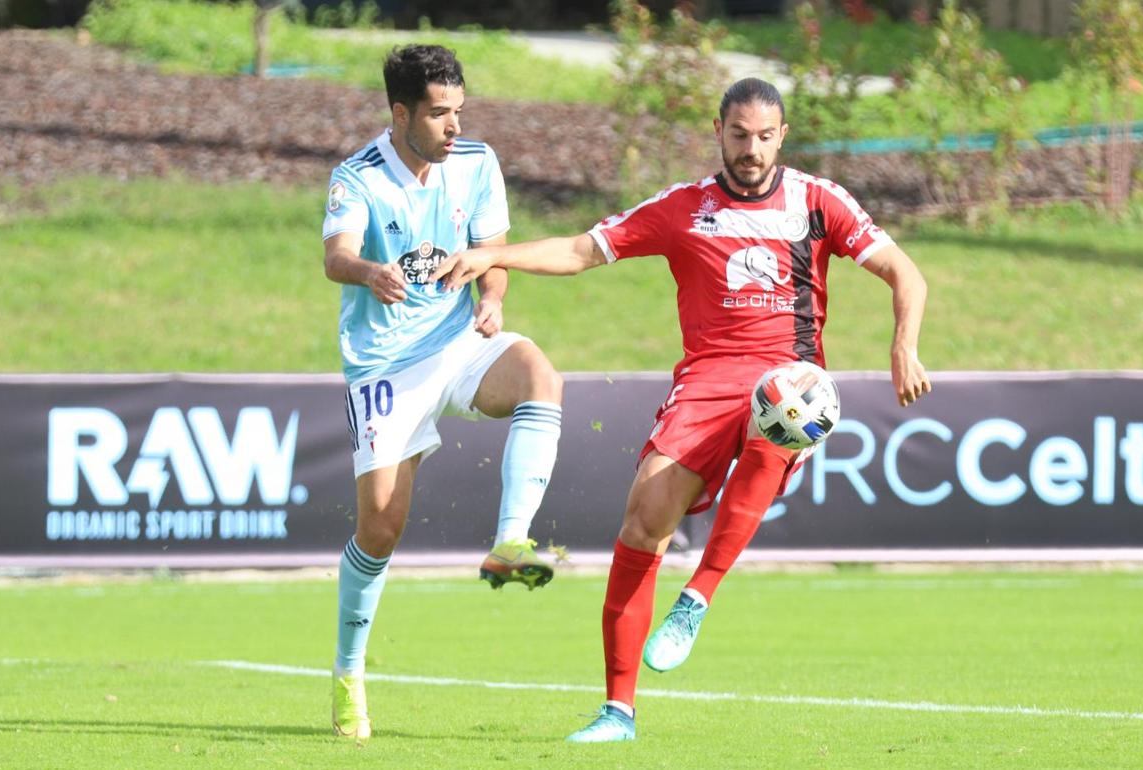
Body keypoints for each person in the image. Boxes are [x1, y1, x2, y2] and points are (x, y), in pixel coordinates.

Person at [433, 77, 931, 743]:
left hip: (789, 376)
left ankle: (697, 596)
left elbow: (906, 272)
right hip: (706, 379)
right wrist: (494, 254)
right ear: (719, 132)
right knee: (643, 521)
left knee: (780, 411)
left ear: (782, 135)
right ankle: (617, 712)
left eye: (763, 136)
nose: (751, 149)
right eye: (738, 135)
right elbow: (583, 251)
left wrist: (904, 345)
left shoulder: (818, 200)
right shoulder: (682, 208)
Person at [321, 44, 565, 741]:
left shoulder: (477, 162)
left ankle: (511, 543)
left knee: (540, 375)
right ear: (401, 114)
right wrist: (369, 271)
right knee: (380, 528)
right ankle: (348, 672)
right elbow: (334, 255)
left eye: (460, 110)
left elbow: (493, 255)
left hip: (458, 343)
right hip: (384, 367)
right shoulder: (358, 177)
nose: (454, 126)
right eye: (438, 113)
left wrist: (492, 300)